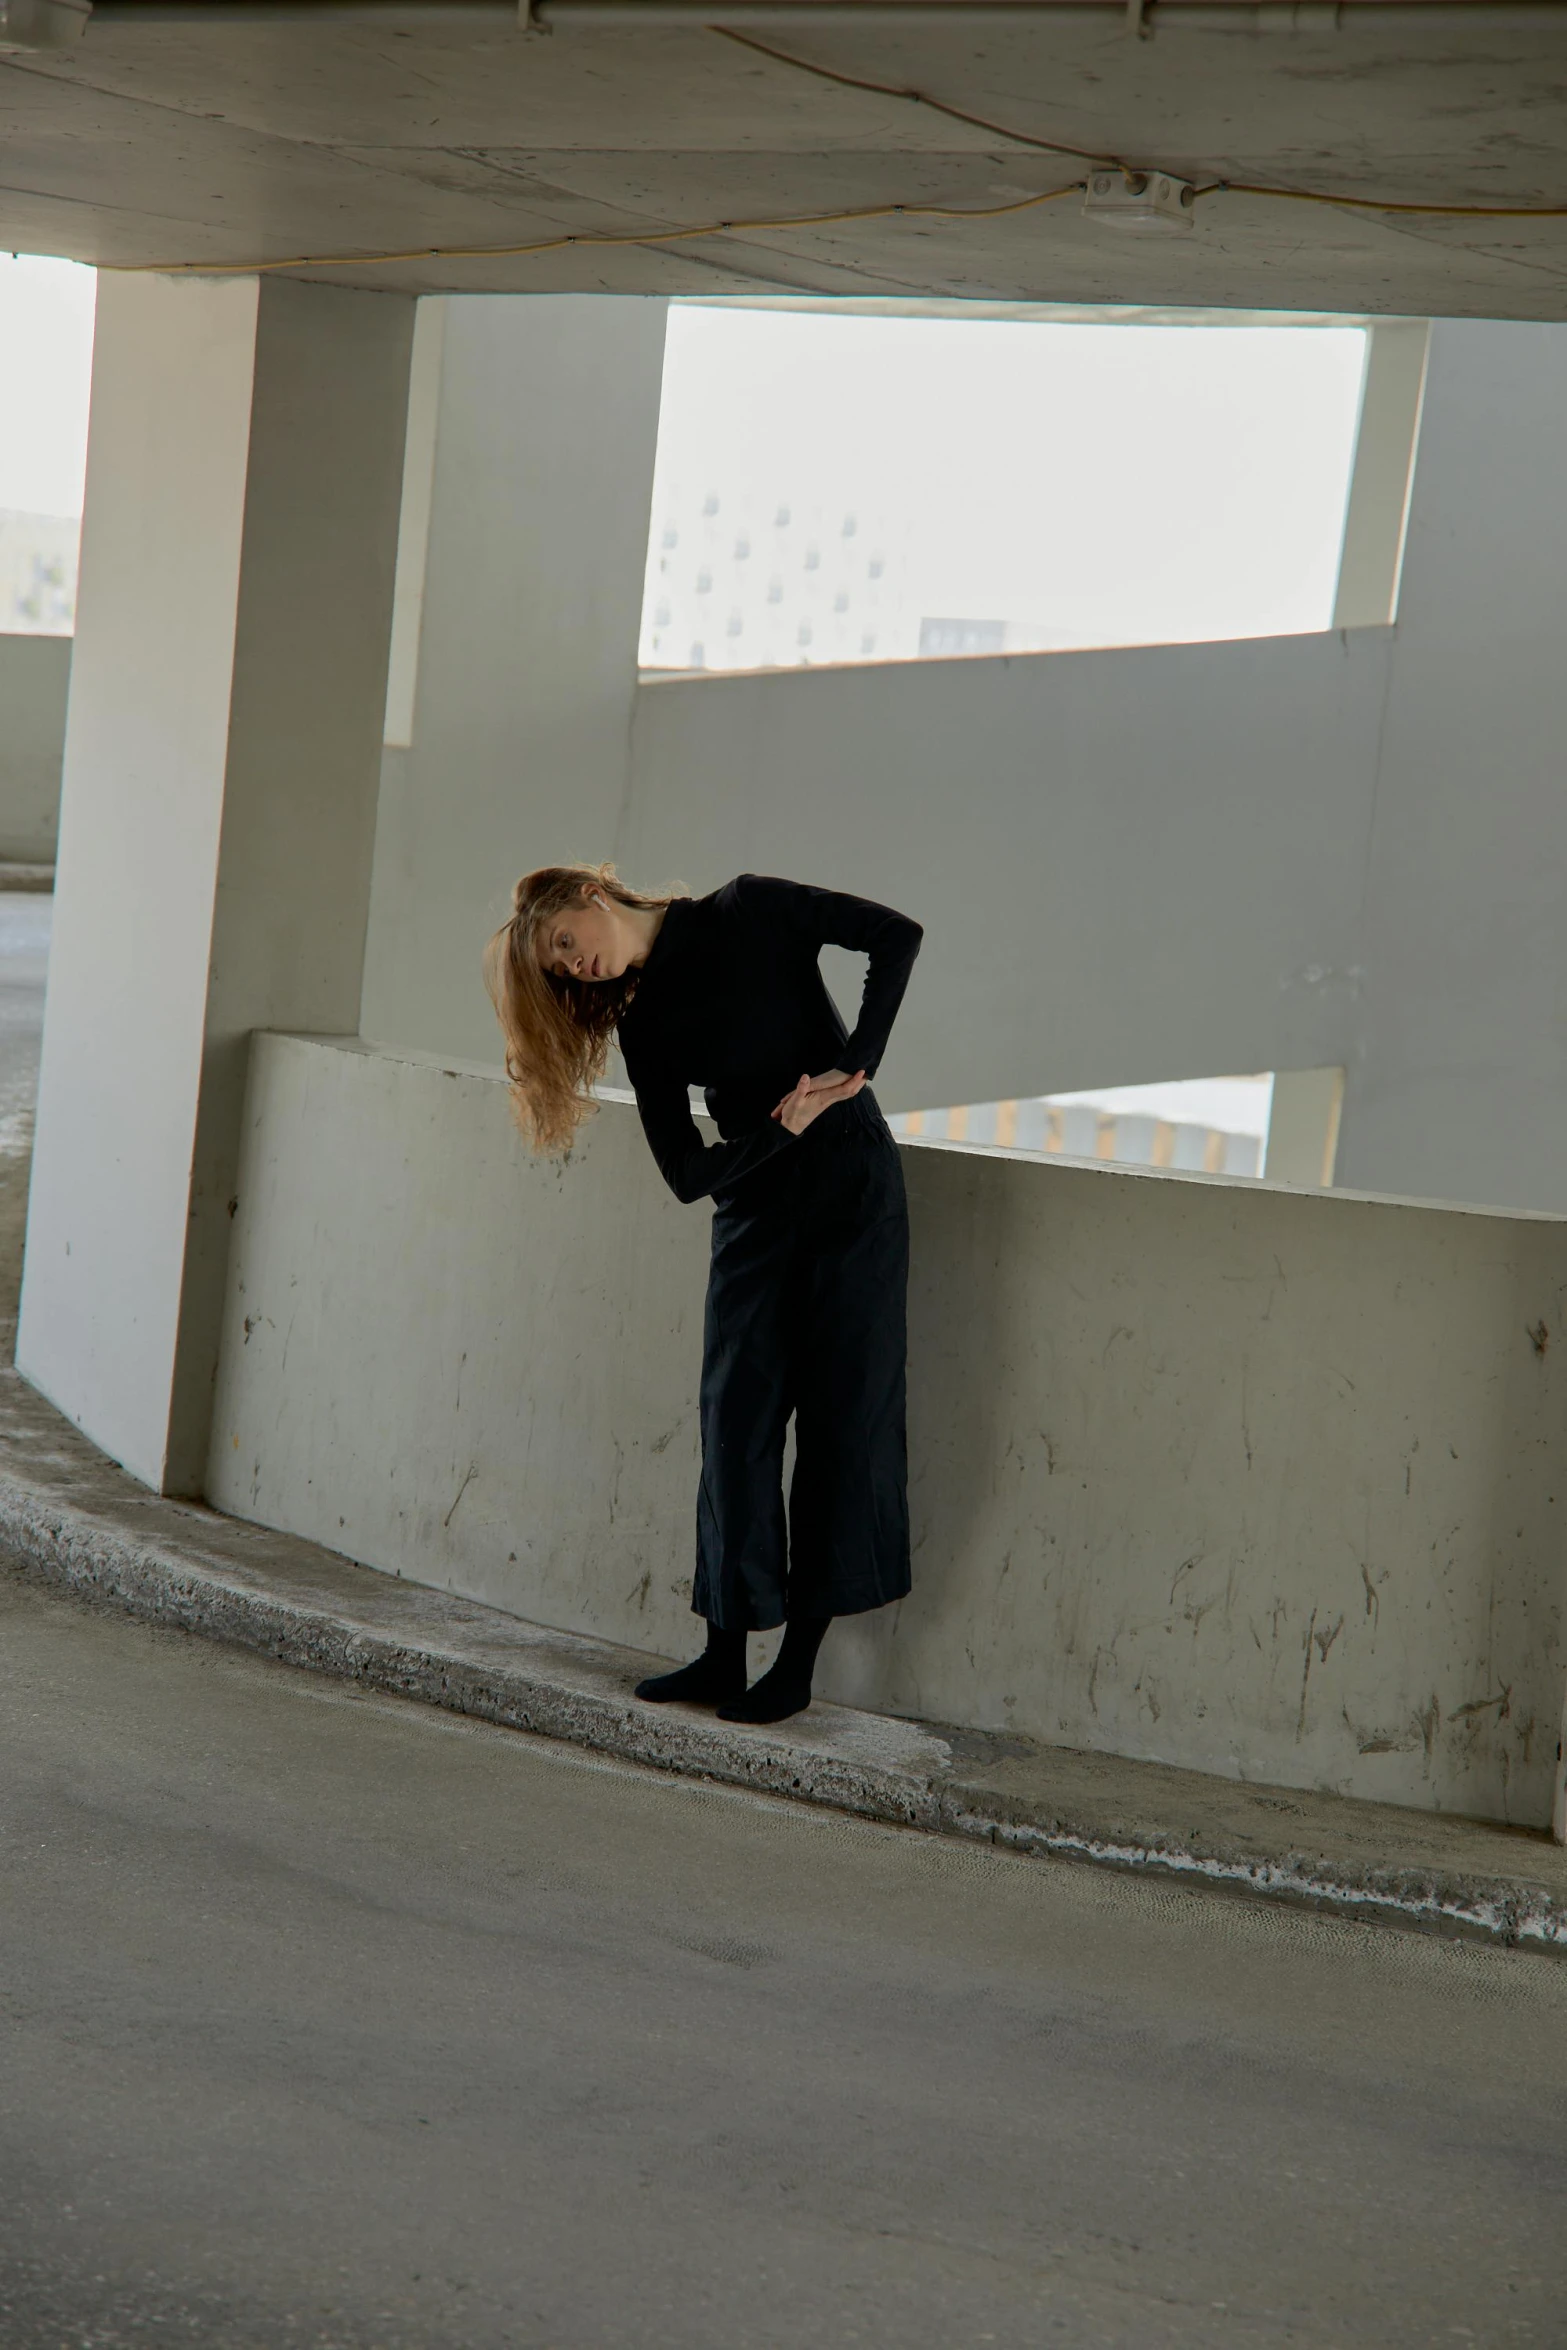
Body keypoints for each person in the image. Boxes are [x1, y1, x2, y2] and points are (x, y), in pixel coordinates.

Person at [484, 863, 923, 1726]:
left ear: (591, 896)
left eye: (567, 944)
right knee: (735, 1425)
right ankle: (724, 1655)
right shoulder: (645, 1024)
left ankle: (795, 1666)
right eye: (559, 969)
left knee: (844, 1419)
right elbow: (687, 1173)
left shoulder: (749, 908)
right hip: (754, 1203)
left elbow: (894, 935)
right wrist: (775, 1132)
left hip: (851, 1190)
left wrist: (853, 1064)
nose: (576, 968)